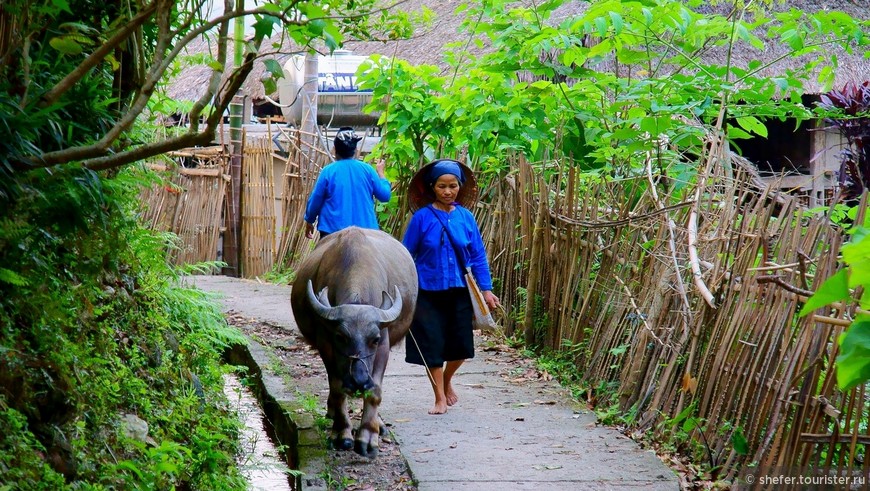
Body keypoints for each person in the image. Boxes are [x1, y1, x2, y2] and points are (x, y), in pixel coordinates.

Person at [402, 159, 500, 415]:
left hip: (459, 291)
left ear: (460, 187)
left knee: (462, 346)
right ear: (432, 187)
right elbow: (405, 254)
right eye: (442, 186)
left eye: (453, 186)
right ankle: (439, 398)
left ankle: (446, 381)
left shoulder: (466, 218)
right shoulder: (421, 219)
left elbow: (477, 256)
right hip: (427, 292)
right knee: (431, 346)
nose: (448, 191)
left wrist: (487, 290)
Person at [304, 127, 391, 239]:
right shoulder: (368, 170)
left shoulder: (328, 172)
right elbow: (385, 195)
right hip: (367, 233)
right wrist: (381, 174)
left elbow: (316, 200)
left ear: (335, 149)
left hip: (332, 232)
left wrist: (309, 220)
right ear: (355, 150)